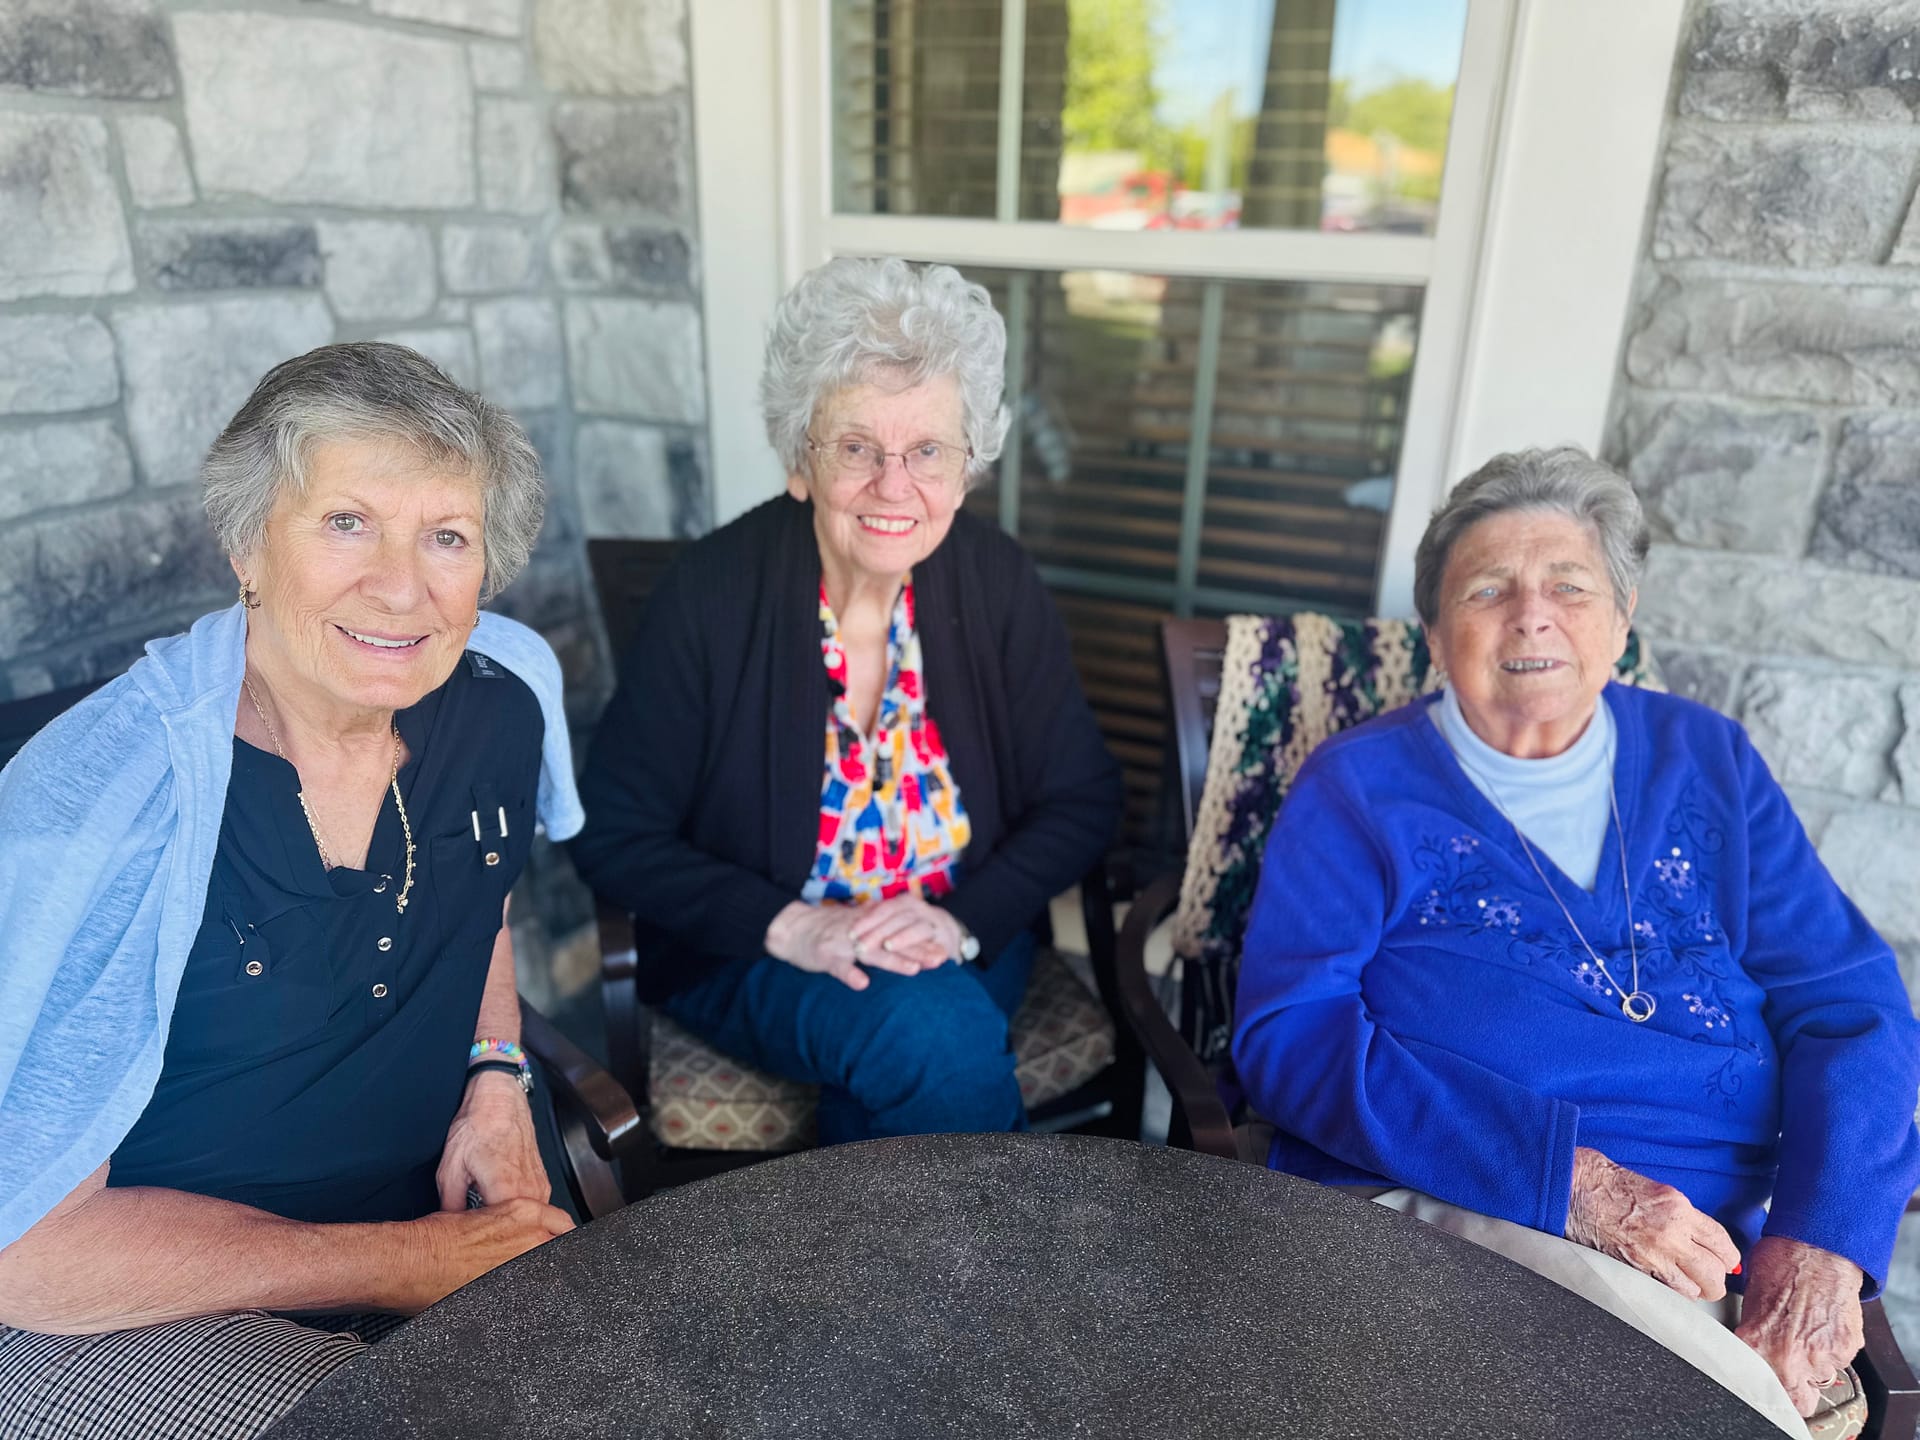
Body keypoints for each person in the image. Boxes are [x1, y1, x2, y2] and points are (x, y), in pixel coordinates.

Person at [1232, 447, 1919, 1438]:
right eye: (1488, 589)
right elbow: (1290, 1039)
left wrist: (1819, 1242)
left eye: (1570, 585)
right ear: (1435, 632)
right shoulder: (1359, 789)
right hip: (1462, 1198)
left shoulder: (1706, 757)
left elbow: (1852, 1005)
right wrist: (1575, 1181)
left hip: (1722, 1245)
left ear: (1621, 618)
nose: (1532, 615)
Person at [0, 343, 586, 1439]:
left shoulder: (501, 705)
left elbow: (481, 894)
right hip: (130, 1303)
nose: (402, 585)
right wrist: (405, 1261)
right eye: (348, 522)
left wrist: (498, 1073)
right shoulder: (97, 815)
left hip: (429, 1228)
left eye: (446, 537)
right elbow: (23, 1251)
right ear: (246, 546)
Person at [571, 257, 1121, 1142]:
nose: (894, 485)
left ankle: (851, 1280)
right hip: (757, 953)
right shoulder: (712, 593)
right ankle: (1003, 1278)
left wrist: (958, 922)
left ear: (966, 469)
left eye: (928, 451)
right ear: (801, 463)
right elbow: (614, 832)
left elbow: (1082, 797)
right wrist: (791, 928)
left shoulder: (995, 582)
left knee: (913, 1049)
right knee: (930, 1038)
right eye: (856, 448)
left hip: (957, 935)